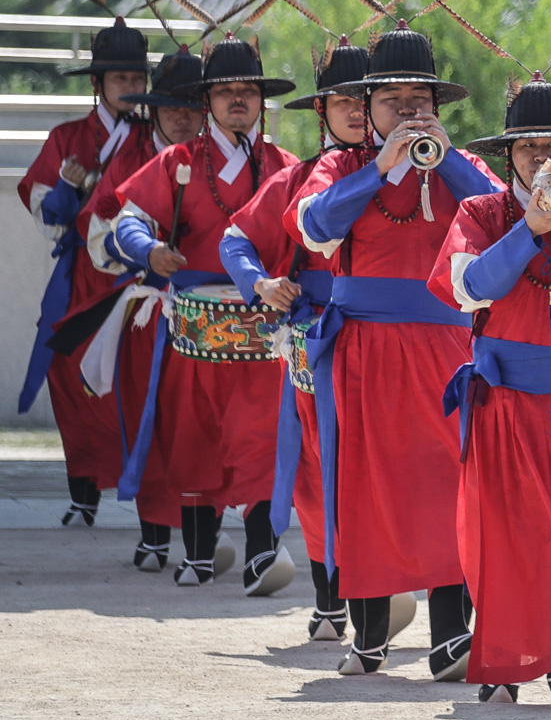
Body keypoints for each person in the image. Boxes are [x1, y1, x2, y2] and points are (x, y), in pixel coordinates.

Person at [291, 26, 497, 677]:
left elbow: (501, 211)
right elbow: (316, 226)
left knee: (447, 486)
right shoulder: (342, 166)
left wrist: (443, 152)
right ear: (366, 105)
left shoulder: (456, 162)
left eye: (419, 98)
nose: (407, 111)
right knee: (367, 487)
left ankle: (449, 636)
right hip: (364, 347)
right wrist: (383, 166)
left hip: (444, 344)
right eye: (392, 100)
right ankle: (370, 633)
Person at [430, 78, 551, 708]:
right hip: (502, 399)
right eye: (527, 146)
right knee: (504, 536)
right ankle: (515, 661)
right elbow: (467, 287)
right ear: (508, 155)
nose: (540, 157)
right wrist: (530, 229)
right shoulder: (481, 212)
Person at [102, 38, 297, 592]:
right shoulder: (179, 163)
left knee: (261, 436)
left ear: (261, 99)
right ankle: (199, 553)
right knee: (195, 436)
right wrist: (148, 251)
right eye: (226, 90)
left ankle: (261, 555)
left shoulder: (284, 166)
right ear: (207, 99)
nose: (239, 99)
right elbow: (128, 220)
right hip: (193, 320)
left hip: (263, 322)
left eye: (248, 90)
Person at [220, 42, 377, 638]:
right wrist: (260, 281)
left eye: (368, 98)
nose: (356, 110)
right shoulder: (297, 180)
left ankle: (422, 600)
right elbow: (235, 239)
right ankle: (332, 595)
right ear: (322, 110)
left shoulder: (422, 173)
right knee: (319, 467)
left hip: (401, 340)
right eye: (343, 99)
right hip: (318, 336)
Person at [18, 18, 151, 528]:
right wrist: (67, 195)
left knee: (135, 385)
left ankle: (150, 500)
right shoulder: (68, 137)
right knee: (71, 382)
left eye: (137, 78)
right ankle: (83, 491)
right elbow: (43, 208)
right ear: (97, 84)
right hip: (80, 282)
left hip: (136, 280)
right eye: (119, 79)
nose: (131, 89)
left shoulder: (152, 138)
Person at [78, 49, 194, 570]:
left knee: (204, 427)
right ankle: (153, 531)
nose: (184, 116)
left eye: (195, 103)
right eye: (172, 106)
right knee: (150, 421)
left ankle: (217, 536)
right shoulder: (133, 162)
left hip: (222, 317)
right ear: (153, 110)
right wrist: (143, 249)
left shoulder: (235, 157)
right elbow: (99, 233)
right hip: (150, 309)